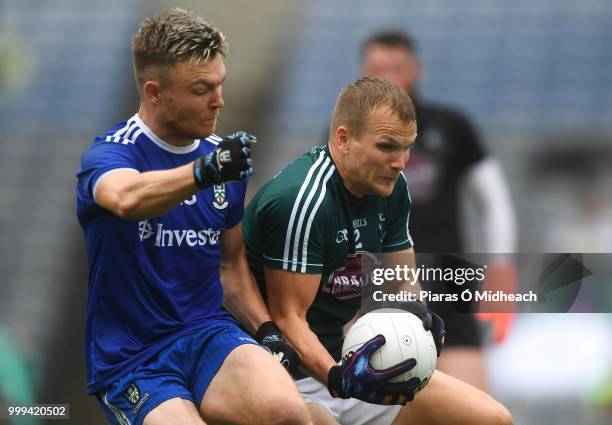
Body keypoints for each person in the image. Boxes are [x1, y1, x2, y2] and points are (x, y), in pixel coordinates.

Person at [76, 9, 310, 425]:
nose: (218, 100)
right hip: (134, 359)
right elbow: (128, 198)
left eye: (220, 85)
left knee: (289, 412)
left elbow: (230, 262)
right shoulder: (112, 153)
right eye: (202, 89)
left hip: (208, 335)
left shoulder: (223, 160)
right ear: (154, 92)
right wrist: (203, 173)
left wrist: (266, 329)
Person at [243, 77, 513, 425]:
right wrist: (341, 379)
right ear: (343, 139)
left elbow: (401, 282)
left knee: (493, 419)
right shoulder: (302, 200)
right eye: (387, 146)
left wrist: (418, 318)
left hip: (347, 361)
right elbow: (288, 321)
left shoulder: (392, 186)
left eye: (407, 147)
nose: (401, 162)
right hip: (287, 375)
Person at [360, 31, 518, 390]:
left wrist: (502, 269)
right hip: (380, 287)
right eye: (377, 69)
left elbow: (493, 202)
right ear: (362, 74)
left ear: (416, 70)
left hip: (449, 282)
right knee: (387, 405)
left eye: (396, 68)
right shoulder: (345, 136)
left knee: (478, 409)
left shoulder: (451, 126)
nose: (387, 78)